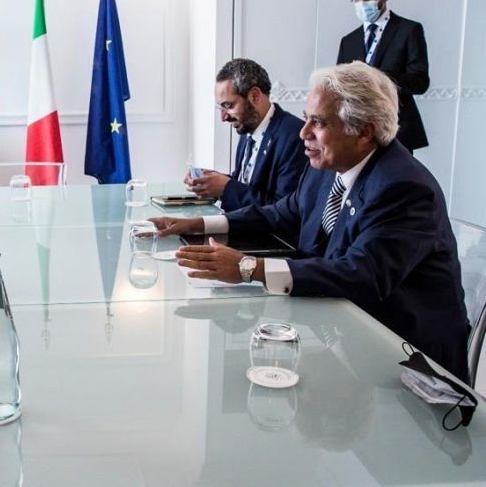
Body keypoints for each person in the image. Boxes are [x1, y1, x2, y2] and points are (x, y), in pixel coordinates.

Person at [154, 62, 470, 383]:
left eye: (318, 122)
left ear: (364, 131)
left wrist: (249, 268)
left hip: (408, 361)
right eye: (306, 118)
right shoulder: (327, 168)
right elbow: (278, 214)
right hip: (340, 333)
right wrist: (196, 224)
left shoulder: (403, 187)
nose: (303, 133)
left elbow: (360, 275)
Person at [187, 59, 306, 211]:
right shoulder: (248, 126)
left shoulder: (294, 136)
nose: (223, 117)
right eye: (220, 108)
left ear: (255, 96)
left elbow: (283, 211)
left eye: (228, 106)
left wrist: (226, 188)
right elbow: (248, 185)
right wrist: (212, 182)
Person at [337, 0, 430, 152]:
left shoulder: (409, 30)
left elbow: (420, 82)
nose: (362, 3)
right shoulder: (349, 41)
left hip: (397, 130)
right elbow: (341, 88)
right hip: (358, 132)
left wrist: (376, 76)